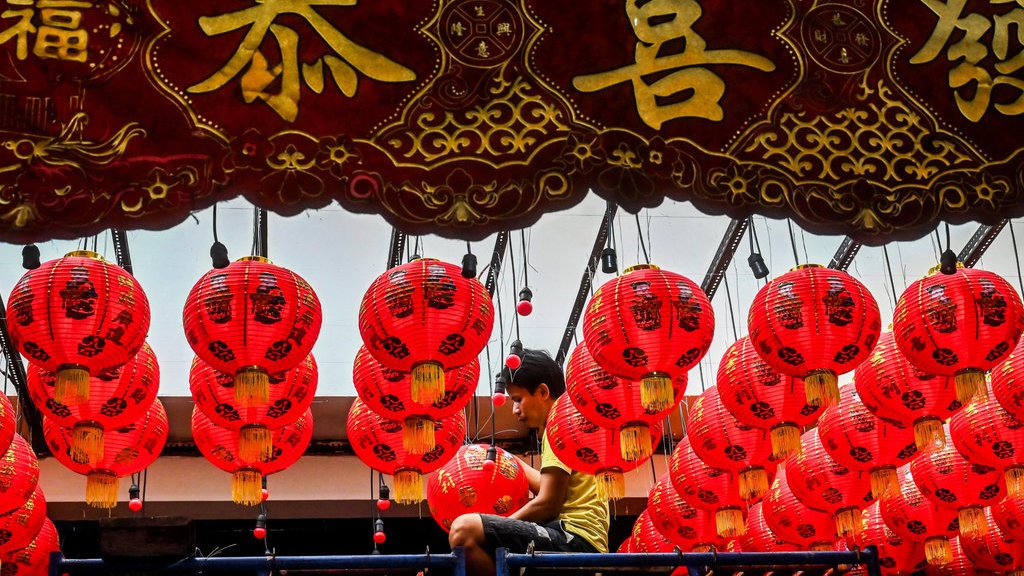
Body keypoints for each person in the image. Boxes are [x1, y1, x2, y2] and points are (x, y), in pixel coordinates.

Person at [448, 348, 610, 576]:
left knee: (464, 529)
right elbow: (553, 489)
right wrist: (512, 462)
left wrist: (497, 527)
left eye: (518, 399)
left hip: (573, 537)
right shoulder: (571, 421)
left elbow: (548, 504)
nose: (514, 410)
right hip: (587, 541)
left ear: (543, 391)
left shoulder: (558, 426)